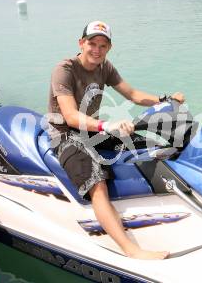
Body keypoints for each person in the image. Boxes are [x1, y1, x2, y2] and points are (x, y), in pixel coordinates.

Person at [47, 21, 184, 260]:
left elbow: (132, 95)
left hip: (94, 130)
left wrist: (165, 98)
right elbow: (69, 116)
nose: (97, 50)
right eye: (92, 44)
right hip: (66, 134)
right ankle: (130, 250)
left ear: (109, 48)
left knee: (145, 144)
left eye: (103, 45)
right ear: (81, 43)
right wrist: (107, 125)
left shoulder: (105, 67)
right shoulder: (65, 70)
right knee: (97, 183)